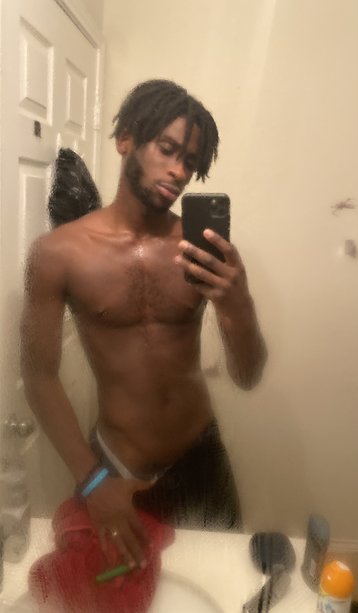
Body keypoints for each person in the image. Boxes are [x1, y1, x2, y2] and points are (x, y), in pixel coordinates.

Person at [20, 79, 267, 570]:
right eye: (167, 149)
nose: (179, 171)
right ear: (126, 139)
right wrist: (92, 481)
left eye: (190, 161)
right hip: (114, 468)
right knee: (124, 592)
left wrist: (238, 303)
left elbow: (248, 375)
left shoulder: (198, 248)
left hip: (201, 458)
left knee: (218, 583)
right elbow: (39, 375)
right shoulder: (57, 254)